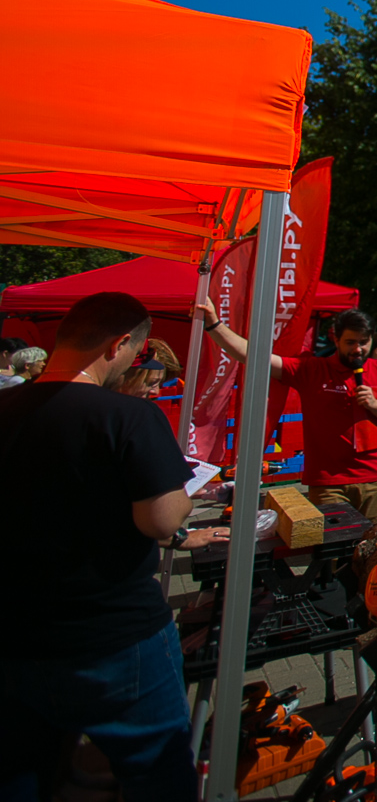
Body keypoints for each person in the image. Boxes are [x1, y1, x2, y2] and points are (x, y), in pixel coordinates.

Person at [0, 292, 227, 800]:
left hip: (15, 632)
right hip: (114, 636)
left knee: (22, 773)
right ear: (120, 344)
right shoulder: (127, 417)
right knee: (157, 775)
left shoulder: (6, 406)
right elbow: (162, 519)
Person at [200, 299, 377, 517]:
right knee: (332, 545)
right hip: (328, 481)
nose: (358, 349)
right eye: (350, 342)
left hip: (374, 477)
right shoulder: (311, 370)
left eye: (364, 342)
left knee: (367, 545)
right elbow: (256, 358)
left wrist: (375, 405)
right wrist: (214, 325)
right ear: (336, 340)